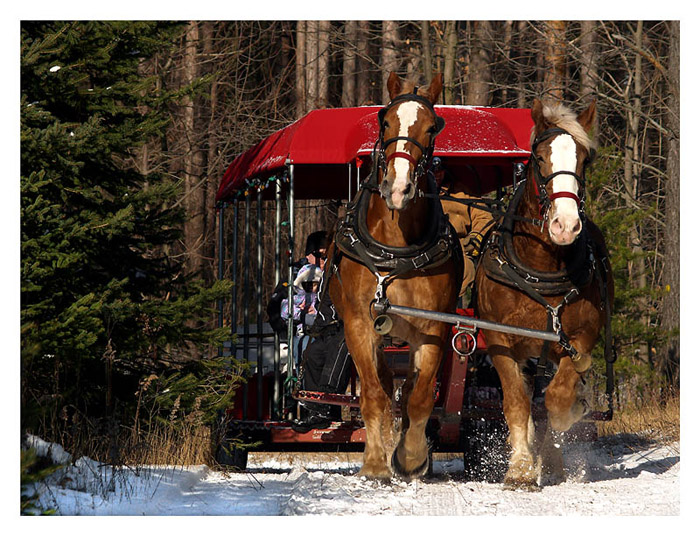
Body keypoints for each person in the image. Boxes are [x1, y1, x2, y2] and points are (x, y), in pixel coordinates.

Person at [434, 160, 495, 298]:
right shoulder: (413, 193)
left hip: (458, 249)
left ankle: (457, 308)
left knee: (466, 269)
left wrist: (475, 238)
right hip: (423, 251)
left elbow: (484, 218)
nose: (436, 174)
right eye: (432, 170)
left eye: (439, 170)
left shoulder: (462, 192)